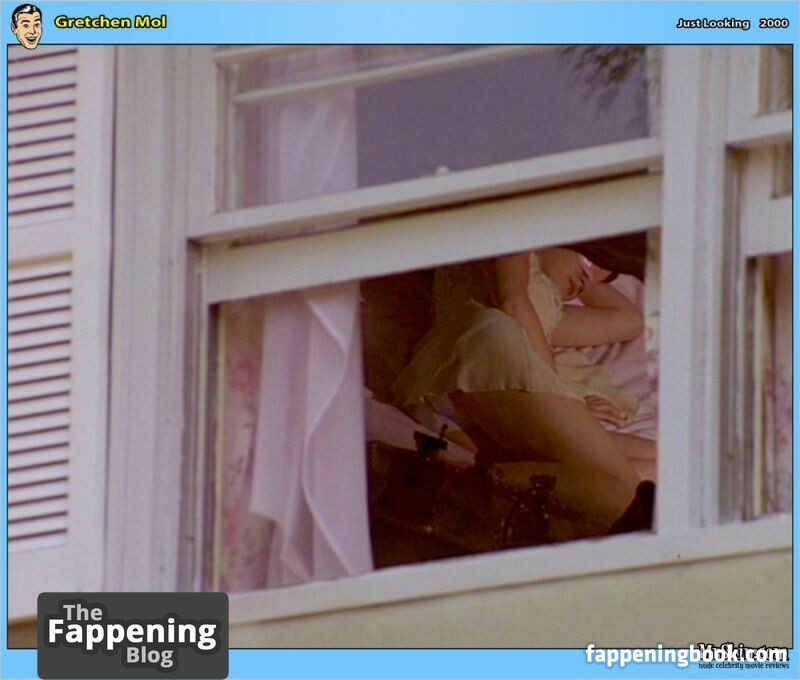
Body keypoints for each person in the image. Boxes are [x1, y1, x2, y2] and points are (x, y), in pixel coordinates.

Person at [392, 247, 656, 532]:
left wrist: (589, 274)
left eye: (595, 281)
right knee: (626, 496)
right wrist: (566, 400)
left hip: (492, 383)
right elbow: (513, 304)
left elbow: (629, 321)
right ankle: (480, 482)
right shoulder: (514, 256)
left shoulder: (547, 307)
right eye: (587, 262)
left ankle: (495, 472)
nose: (585, 280)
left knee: (661, 464)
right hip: (485, 360)